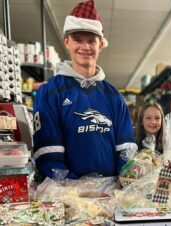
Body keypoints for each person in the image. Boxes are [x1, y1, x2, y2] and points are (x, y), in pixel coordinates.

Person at [32, 0, 137, 179]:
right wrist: (74, 189)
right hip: (68, 195)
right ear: (67, 41)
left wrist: (125, 178)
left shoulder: (114, 96)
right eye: (77, 40)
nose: (85, 47)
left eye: (91, 41)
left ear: (100, 44)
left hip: (110, 194)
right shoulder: (50, 92)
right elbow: (47, 153)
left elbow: (126, 150)